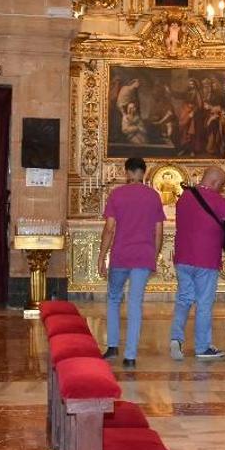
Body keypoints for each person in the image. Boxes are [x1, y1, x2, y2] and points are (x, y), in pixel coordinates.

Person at [170, 166, 225, 361]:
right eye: (220, 185)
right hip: (205, 260)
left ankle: (176, 339)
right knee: (204, 304)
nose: (220, 189)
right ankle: (202, 347)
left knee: (184, 299)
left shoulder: (184, 198)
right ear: (215, 183)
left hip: (182, 258)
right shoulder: (216, 199)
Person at [99, 157, 164, 369]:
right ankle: (130, 356)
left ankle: (112, 346)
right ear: (143, 173)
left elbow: (109, 228)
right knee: (135, 303)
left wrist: (102, 256)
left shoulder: (117, 194)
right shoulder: (154, 196)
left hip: (121, 255)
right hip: (143, 255)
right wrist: (153, 256)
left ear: (127, 172)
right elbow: (159, 231)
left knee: (114, 298)